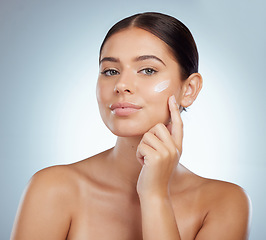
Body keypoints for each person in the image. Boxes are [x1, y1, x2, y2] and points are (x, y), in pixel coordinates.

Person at [11, 12, 251, 240]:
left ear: (189, 89)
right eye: (111, 71)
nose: (122, 84)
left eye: (148, 70)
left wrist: (155, 195)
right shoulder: (53, 189)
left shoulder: (224, 203)